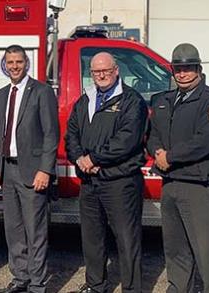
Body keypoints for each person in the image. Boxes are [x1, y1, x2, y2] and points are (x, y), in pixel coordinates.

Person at [147, 43, 209, 293]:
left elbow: (206, 141)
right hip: (170, 182)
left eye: (188, 68)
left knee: (207, 251)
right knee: (175, 248)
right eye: (178, 69)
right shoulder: (164, 100)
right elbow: (152, 134)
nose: (182, 74)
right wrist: (157, 153)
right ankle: (178, 288)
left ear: (198, 69)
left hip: (199, 185)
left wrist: (170, 157)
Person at [65, 52, 147, 293]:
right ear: (91, 74)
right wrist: (80, 159)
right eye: (96, 71)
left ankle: (132, 289)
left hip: (120, 181)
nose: (101, 75)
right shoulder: (85, 100)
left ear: (116, 70)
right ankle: (96, 286)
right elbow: (71, 134)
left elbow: (127, 140)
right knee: (92, 238)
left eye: (106, 70)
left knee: (127, 239)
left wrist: (94, 158)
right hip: (90, 181)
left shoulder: (132, 101)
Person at [0, 45, 59, 293]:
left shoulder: (41, 91)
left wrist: (45, 170)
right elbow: (0, 133)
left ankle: (37, 284)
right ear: (5, 65)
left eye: (18, 62)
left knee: (35, 230)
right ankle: (20, 278)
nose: (14, 66)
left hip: (32, 171)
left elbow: (51, 134)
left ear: (26, 63)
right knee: (14, 229)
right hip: (7, 170)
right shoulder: (2, 94)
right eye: (10, 62)